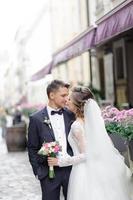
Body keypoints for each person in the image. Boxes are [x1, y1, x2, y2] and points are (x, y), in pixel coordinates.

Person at [48, 86, 133, 200]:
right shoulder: (94, 123)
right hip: (97, 168)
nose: (66, 102)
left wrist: (60, 161)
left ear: (78, 105)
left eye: (69, 100)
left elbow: (86, 154)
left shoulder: (77, 126)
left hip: (83, 172)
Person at [27, 80, 75, 200]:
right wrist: (38, 171)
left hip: (71, 169)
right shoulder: (36, 119)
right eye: (63, 95)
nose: (66, 99)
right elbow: (32, 147)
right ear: (52, 95)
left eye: (67, 95)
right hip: (48, 172)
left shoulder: (71, 115)